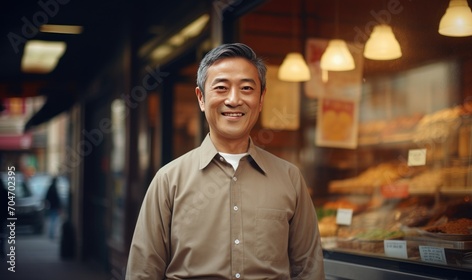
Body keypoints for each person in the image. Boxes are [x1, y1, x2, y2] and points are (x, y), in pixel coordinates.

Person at [126, 43, 325, 279]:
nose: (233, 100)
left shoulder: (289, 177)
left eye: (246, 88)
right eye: (221, 87)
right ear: (201, 98)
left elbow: (309, 270)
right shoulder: (169, 180)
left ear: (261, 99)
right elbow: (143, 272)